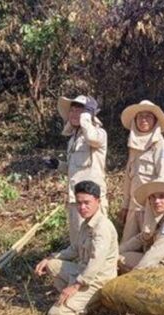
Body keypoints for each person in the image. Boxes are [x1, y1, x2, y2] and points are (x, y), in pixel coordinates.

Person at [34, 181, 119, 315]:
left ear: (97, 201)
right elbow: (74, 250)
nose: (82, 207)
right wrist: (49, 258)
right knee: (52, 265)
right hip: (82, 271)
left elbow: (95, 263)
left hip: (97, 280)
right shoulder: (87, 223)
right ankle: (76, 300)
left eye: (87, 203)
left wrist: (75, 286)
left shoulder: (102, 227)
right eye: (79, 203)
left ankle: (90, 304)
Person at [51, 95, 108, 244]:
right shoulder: (73, 140)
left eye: (80, 111)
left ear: (88, 114)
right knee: (77, 243)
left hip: (91, 200)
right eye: (72, 110)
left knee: (94, 241)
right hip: (75, 198)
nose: (75, 114)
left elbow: (92, 137)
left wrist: (87, 118)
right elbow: (73, 169)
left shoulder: (98, 133)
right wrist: (57, 164)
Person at [119, 100, 164, 242]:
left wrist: (156, 208)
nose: (144, 120)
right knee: (126, 244)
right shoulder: (133, 145)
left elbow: (162, 179)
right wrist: (125, 205)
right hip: (133, 207)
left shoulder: (161, 146)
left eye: (148, 116)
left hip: (150, 207)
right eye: (140, 116)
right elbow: (129, 177)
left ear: (155, 120)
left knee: (147, 246)